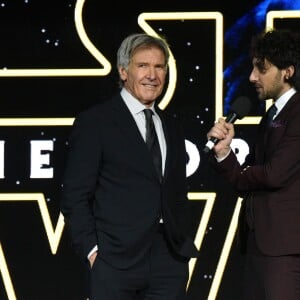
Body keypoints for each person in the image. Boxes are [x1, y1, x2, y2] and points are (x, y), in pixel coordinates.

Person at [60, 33, 199, 300]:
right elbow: (75, 195)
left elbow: (176, 192)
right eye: (142, 66)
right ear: (123, 71)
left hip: (168, 259)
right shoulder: (96, 122)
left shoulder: (171, 125)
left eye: (159, 67)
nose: (152, 75)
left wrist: (180, 250)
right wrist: (92, 251)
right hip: (114, 259)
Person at [206, 28, 300, 300]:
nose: (252, 77)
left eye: (262, 68)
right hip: (259, 244)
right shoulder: (272, 114)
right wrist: (223, 153)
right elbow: (249, 175)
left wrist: (230, 163)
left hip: (285, 249)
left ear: (288, 71)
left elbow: (272, 175)